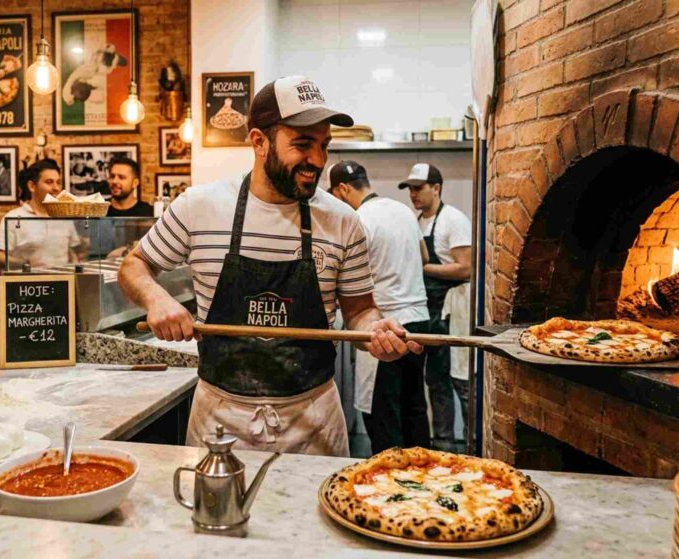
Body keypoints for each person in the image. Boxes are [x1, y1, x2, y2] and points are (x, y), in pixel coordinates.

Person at [118, 76, 421, 457]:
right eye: (302, 144)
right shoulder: (200, 206)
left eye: (324, 145)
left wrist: (375, 331)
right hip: (220, 420)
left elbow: (359, 310)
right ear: (259, 142)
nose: (318, 160)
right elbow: (134, 265)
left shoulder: (343, 222)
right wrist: (156, 299)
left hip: (313, 421)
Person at [327, 161, 431, 453]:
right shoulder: (404, 211)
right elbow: (423, 258)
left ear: (343, 190)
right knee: (414, 407)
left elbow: (349, 279)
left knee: (383, 416)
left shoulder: (359, 219)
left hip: (386, 325)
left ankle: (391, 485)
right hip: (419, 321)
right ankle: (426, 475)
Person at [401, 163, 472, 450]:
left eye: (419, 189)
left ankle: (473, 447)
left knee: (461, 382)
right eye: (410, 190)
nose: (413, 195)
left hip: (452, 310)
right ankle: (443, 445)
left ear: (437, 188)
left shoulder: (453, 220)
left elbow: (465, 269)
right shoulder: (416, 222)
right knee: (436, 381)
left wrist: (424, 267)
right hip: (427, 310)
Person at [0, 159, 83, 270]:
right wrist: (25, 264)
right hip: (27, 285)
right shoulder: (13, 218)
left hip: (62, 283)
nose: (56, 188)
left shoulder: (64, 218)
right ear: (32, 186)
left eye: (58, 182)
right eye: (49, 182)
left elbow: (72, 253)